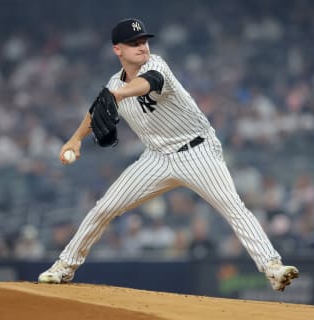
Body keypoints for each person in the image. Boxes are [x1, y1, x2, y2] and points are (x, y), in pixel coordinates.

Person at [38, 18, 298, 291]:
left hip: (197, 150)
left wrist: (117, 95)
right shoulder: (113, 84)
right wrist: (76, 139)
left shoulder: (155, 66)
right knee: (104, 208)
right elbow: (96, 110)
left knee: (233, 208)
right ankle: (63, 268)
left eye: (144, 41)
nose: (142, 47)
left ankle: (273, 267)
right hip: (156, 158)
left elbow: (148, 83)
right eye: (134, 43)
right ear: (118, 50)